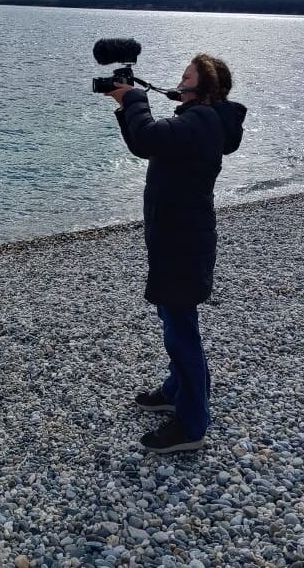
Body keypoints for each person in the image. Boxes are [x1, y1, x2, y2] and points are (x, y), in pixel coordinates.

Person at [106, 54, 246, 453]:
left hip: (183, 242)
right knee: (174, 317)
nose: (179, 82)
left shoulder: (199, 121)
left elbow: (148, 138)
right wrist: (127, 105)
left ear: (203, 87)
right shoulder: (201, 122)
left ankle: (192, 424)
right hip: (179, 237)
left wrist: (133, 98)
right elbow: (145, 142)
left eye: (186, 77)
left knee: (180, 330)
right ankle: (175, 391)